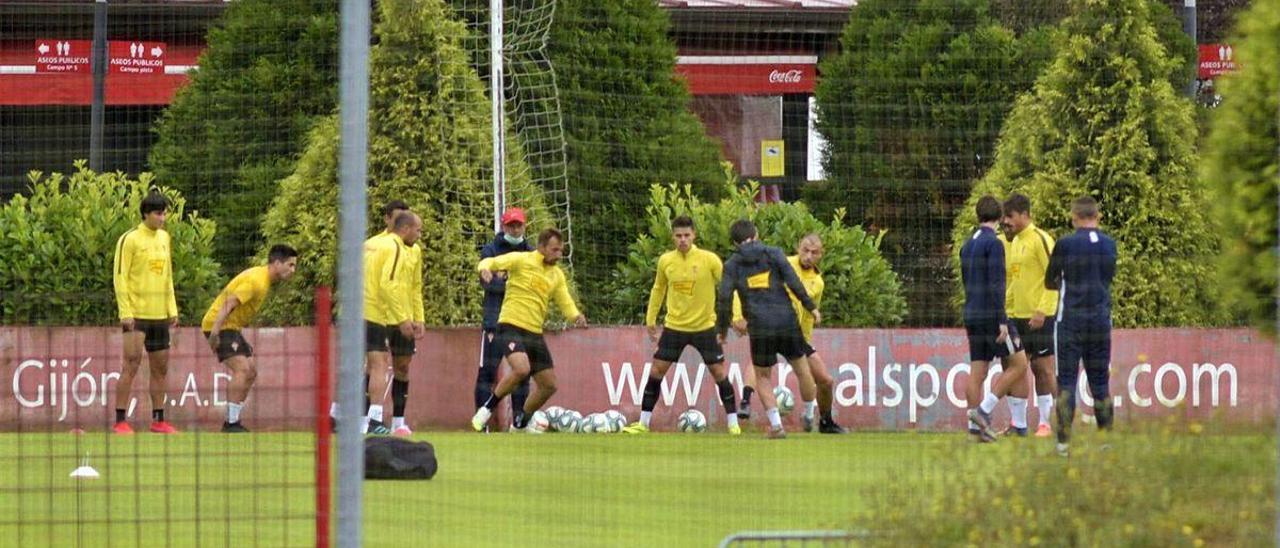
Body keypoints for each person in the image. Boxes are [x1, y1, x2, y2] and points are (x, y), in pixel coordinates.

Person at [623, 215, 740, 435]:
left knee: (718, 372)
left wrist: (737, 315)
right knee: (657, 370)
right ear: (673, 237)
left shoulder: (709, 259)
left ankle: (733, 424)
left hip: (704, 327)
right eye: (678, 236)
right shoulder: (666, 261)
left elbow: (728, 288)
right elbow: (658, 289)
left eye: (687, 235)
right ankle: (643, 423)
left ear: (694, 235)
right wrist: (651, 318)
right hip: (675, 327)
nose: (683, 240)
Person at [471, 228, 587, 433]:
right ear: (541, 247)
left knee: (549, 385)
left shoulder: (556, 275)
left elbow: (564, 299)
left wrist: (575, 315)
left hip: (534, 332)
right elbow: (490, 261)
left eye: (561, 250)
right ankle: (486, 409)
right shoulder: (521, 259)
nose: (558, 255)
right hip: (510, 325)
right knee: (521, 369)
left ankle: (520, 423)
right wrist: (484, 269)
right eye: (554, 250)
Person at [715, 219, 819, 439]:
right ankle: (809, 414)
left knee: (762, 376)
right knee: (802, 369)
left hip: (760, 326)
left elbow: (724, 298)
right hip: (787, 321)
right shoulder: (774, 252)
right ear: (757, 233)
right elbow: (793, 281)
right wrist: (811, 308)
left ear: (735, 242)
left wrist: (722, 330)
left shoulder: (732, 264)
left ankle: (777, 426)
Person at [1044, 196, 1116, 457]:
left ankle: (1063, 445)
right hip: (1099, 320)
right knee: (1100, 382)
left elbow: (1049, 279)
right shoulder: (1109, 245)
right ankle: (1107, 442)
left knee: (1067, 382)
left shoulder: (1065, 244)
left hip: (1070, 322)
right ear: (1097, 216)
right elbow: (1108, 277)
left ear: (1074, 217)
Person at [201, 245, 299, 432]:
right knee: (243, 370)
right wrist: (214, 333)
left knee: (251, 371)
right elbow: (229, 304)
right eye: (290, 265)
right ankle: (230, 423)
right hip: (221, 326)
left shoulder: (264, 279)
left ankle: (234, 420)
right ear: (277, 263)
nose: (293, 270)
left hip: (231, 327)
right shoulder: (257, 281)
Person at [959, 196, 1030, 443]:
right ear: (1000, 217)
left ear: (978, 216)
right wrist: (1001, 319)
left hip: (971, 312)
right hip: (991, 315)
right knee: (1019, 364)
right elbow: (997, 283)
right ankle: (983, 411)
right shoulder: (995, 244)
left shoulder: (967, 245)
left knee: (977, 370)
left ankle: (973, 431)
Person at [112, 191, 180, 435]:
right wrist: (125, 312)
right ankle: (120, 420)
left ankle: (158, 420)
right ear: (145, 214)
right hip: (136, 315)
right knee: (131, 365)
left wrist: (172, 309)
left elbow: (168, 276)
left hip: (160, 315)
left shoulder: (164, 238)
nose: (162, 218)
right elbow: (120, 277)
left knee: (160, 369)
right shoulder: (129, 239)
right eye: (158, 213)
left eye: (164, 213)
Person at [999, 193, 1058, 437]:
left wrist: (1043, 310)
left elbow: (1054, 277)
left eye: (1010, 217)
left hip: (1040, 316)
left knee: (1042, 368)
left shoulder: (1041, 239)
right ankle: (1018, 424)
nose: (1006, 222)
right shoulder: (1010, 242)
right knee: (1015, 368)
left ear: (1024, 214)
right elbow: (1013, 282)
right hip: (1016, 317)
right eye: (1004, 218)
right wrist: (1007, 311)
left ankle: (1046, 422)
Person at [363, 212, 424, 435]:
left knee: (385, 365)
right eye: (418, 230)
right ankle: (374, 419)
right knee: (378, 365)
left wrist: (418, 317)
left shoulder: (371, 245)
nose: (419, 235)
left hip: (365, 310)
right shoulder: (394, 246)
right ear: (406, 229)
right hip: (378, 312)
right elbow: (388, 285)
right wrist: (402, 319)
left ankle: (385, 421)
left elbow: (415, 286)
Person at [474, 207, 534, 431]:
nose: (515, 229)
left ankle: (519, 422)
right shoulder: (491, 249)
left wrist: (505, 279)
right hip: (494, 321)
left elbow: (533, 285)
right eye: (511, 225)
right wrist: (512, 283)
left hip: (522, 321)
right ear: (504, 226)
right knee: (487, 372)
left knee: (523, 372)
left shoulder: (531, 252)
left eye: (519, 225)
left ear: (524, 226)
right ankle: (482, 424)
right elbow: (488, 283)